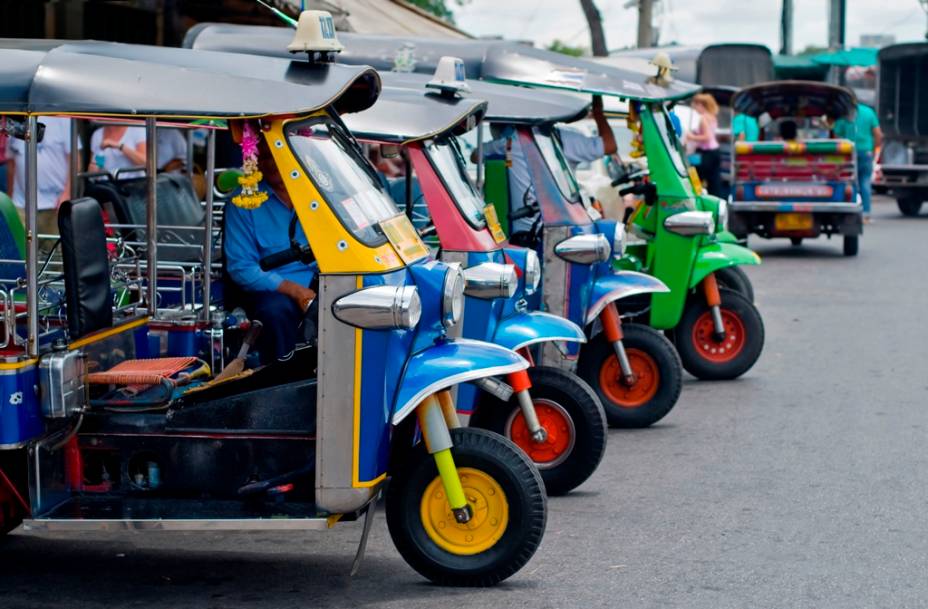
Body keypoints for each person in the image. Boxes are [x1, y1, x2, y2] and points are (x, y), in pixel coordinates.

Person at [224, 128, 316, 363]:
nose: (272, 163)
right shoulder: (243, 203)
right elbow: (241, 267)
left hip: (322, 283)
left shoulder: (317, 195)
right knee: (275, 313)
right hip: (275, 292)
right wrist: (295, 291)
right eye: (264, 157)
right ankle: (282, 383)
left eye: (277, 155)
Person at [479, 95, 616, 238]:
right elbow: (609, 145)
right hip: (533, 230)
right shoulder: (509, 142)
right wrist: (599, 113)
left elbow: (476, 155)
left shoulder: (508, 141)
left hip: (545, 226)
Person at [7, 116, 75, 239]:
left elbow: (75, 159)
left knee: (55, 253)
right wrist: (11, 197)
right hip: (20, 203)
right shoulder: (15, 119)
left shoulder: (63, 118)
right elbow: (11, 162)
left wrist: (67, 193)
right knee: (21, 252)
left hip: (54, 203)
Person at [834, 103, 882, 222]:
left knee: (849, 182)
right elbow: (878, 135)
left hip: (848, 153)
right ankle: (865, 214)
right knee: (865, 182)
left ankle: (851, 211)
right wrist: (873, 148)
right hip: (866, 152)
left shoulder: (843, 113)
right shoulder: (869, 112)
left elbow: (836, 136)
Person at [684, 93, 722, 196]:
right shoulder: (712, 117)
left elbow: (707, 137)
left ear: (701, 105)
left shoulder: (703, 118)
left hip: (705, 153)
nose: (695, 108)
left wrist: (691, 137)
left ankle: (695, 196)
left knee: (695, 175)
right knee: (714, 180)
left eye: (696, 105)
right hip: (715, 151)